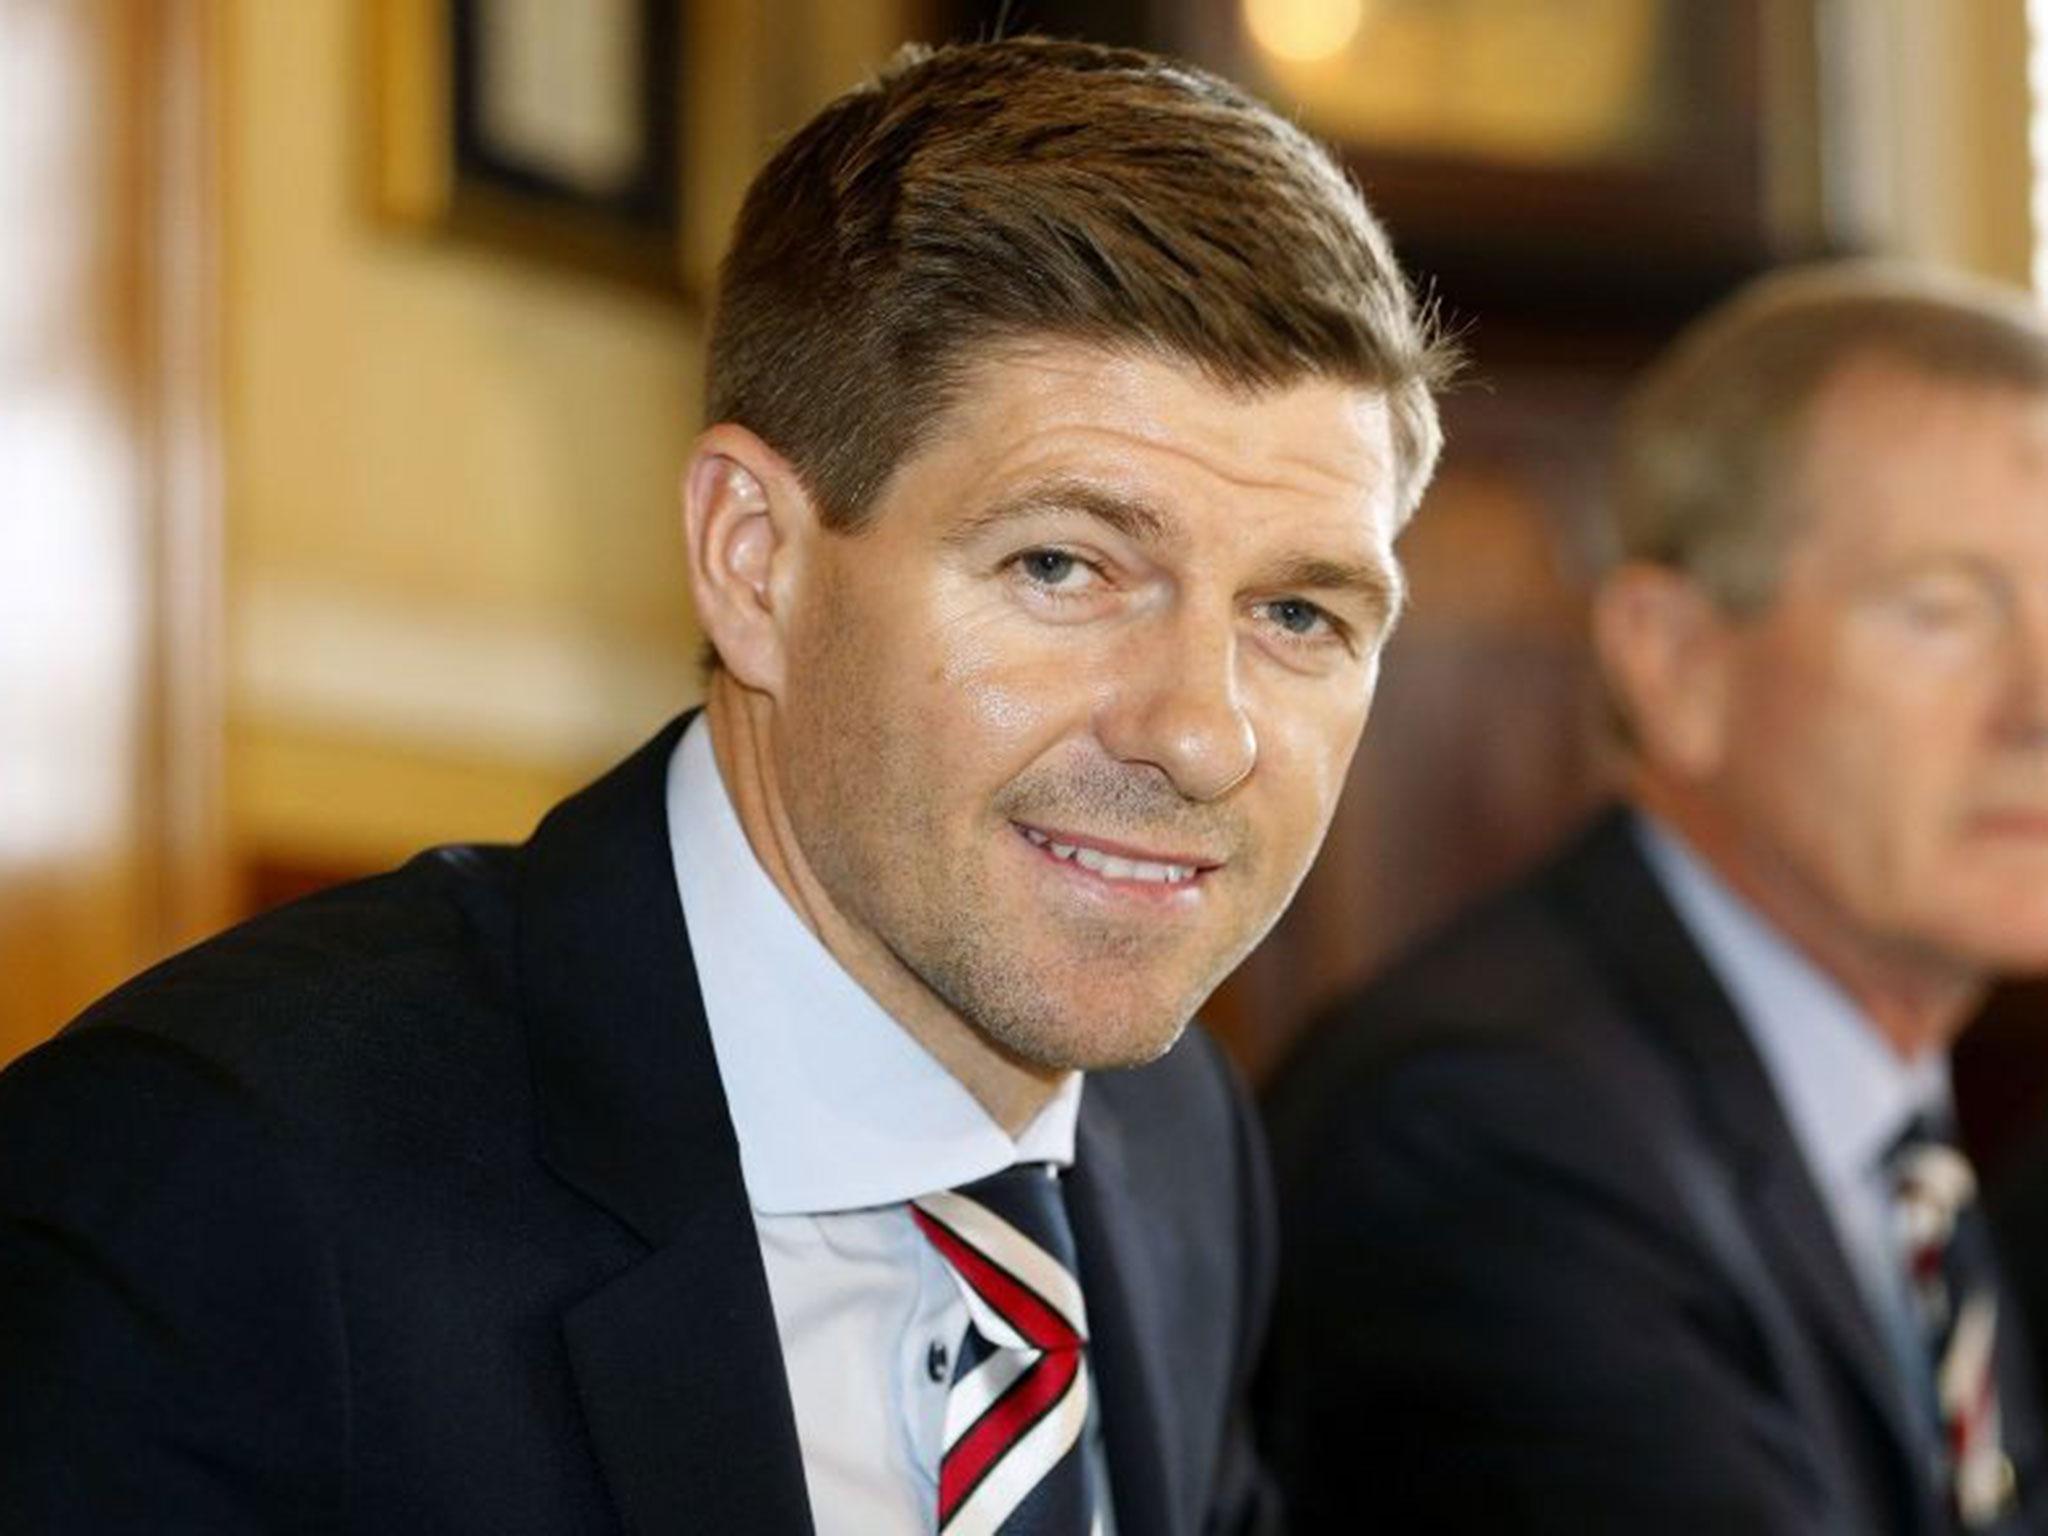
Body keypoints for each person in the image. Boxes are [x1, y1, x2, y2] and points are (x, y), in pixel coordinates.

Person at [0, 36, 1450, 1536]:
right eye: (1063, 565)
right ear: (755, 562)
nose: (1204, 737)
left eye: (1299, 616)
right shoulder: (217, 1189)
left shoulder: (1179, 1141)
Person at [1263, 261, 2048, 1535]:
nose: (2037, 705)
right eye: (1942, 609)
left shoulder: (1896, 1125)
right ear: (1674, 664)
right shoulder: (1483, 1141)